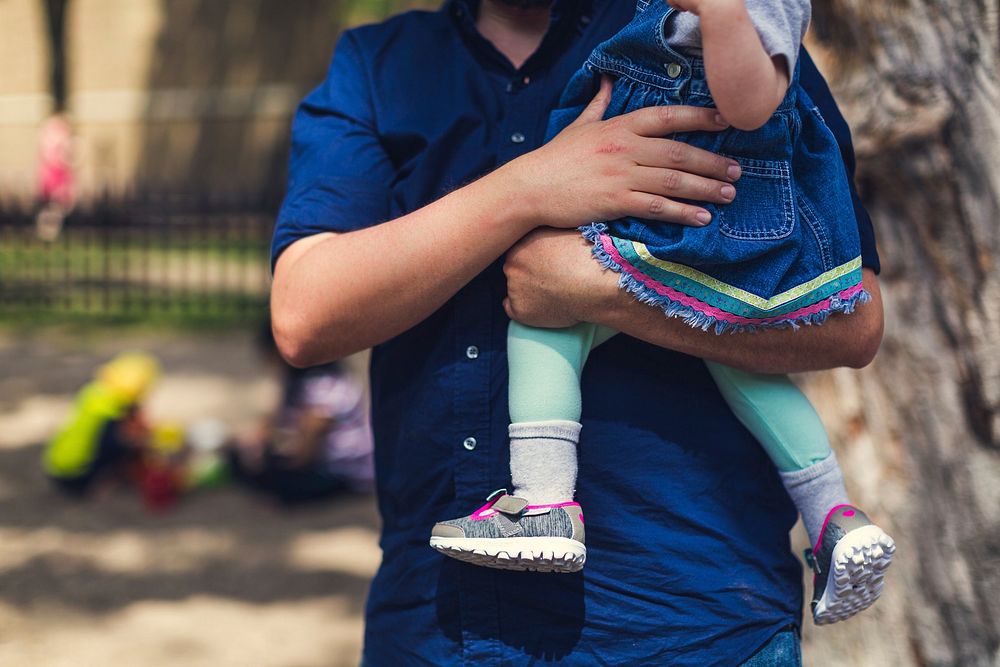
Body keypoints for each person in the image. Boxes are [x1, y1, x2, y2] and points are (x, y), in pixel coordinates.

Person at [270, 1, 886, 664]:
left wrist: (600, 290)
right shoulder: (376, 68)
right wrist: (525, 190)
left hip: (695, 624)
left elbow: (852, 322)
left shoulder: (710, 29)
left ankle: (830, 515)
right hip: (439, 626)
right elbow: (304, 315)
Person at [429, 0, 895, 627]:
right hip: (712, 215)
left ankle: (542, 502)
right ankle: (835, 518)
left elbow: (753, 104)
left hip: (689, 215)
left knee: (545, 322)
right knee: (746, 370)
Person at [229, 322, 374, 505]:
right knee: (242, 457)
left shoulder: (324, 386)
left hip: (343, 470)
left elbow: (307, 449)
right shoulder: (297, 384)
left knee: (273, 477)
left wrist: (276, 463)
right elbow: (272, 424)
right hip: (320, 460)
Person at [44, 352, 159, 497]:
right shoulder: (114, 412)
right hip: (76, 476)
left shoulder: (93, 393)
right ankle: (105, 483)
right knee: (127, 445)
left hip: (55, 465)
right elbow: (120, 443)